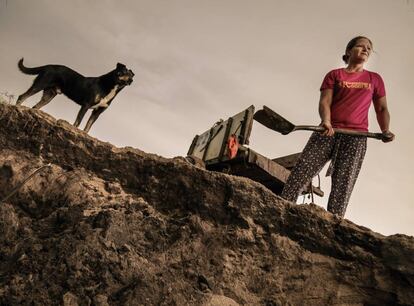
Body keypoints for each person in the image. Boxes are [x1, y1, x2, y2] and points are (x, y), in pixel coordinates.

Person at [281, 36, 395, 218]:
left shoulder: (374, 79)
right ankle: (281, 209)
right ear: (349, 51)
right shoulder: (335, 75)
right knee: (300, 173)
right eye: (361, 46)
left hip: (356, 137)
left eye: (369, 48)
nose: (366, 49)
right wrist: (326, 121)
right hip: (327, 132)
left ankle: (332, 227)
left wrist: (385, 130)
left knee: (343, 185)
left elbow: (381, 108)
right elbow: (324, 102)